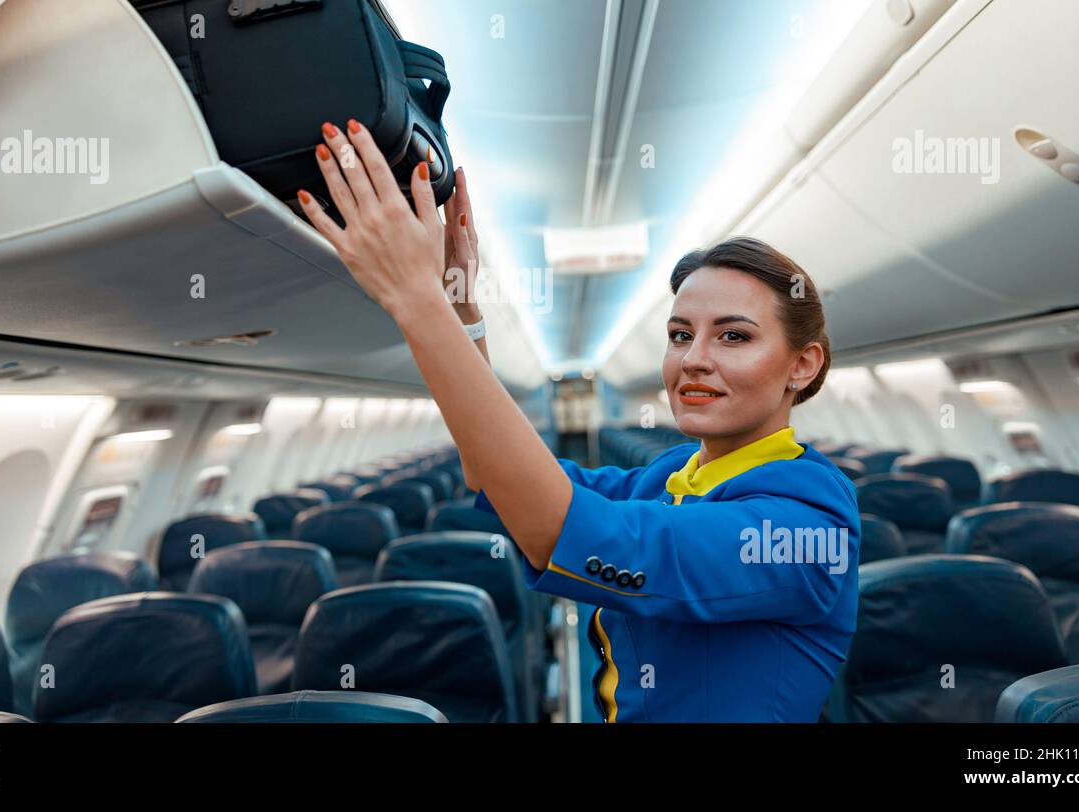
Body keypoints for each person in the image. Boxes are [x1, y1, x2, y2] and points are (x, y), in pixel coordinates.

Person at [296, 119, 859, 722]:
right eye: (680, 335)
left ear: (803, 365)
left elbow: (558, 527)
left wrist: (415, 301)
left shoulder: (810, 524)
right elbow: (498, 476)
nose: (694, 359)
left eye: (733, 336)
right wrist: (459, 304)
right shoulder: (671, 476)